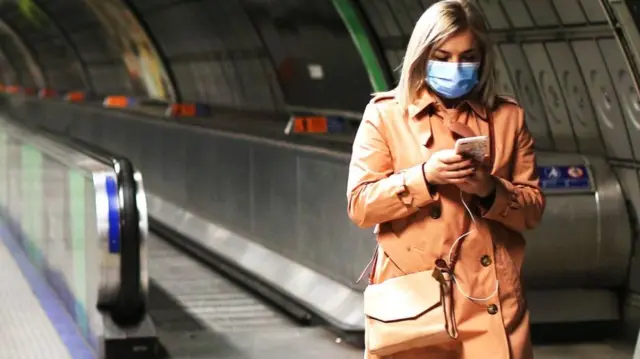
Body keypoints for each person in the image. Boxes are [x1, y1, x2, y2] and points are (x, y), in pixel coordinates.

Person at [346, 1, 546, 358]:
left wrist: (489, 190)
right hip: (414, 300)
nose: (456, 68)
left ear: (483, 59)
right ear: (422, 56)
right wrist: (425, 177)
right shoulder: (386, 115)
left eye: (468, 57)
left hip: (490, 297)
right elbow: (360, 206)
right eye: (443, 56)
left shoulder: (508, 118)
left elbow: (531, 211)